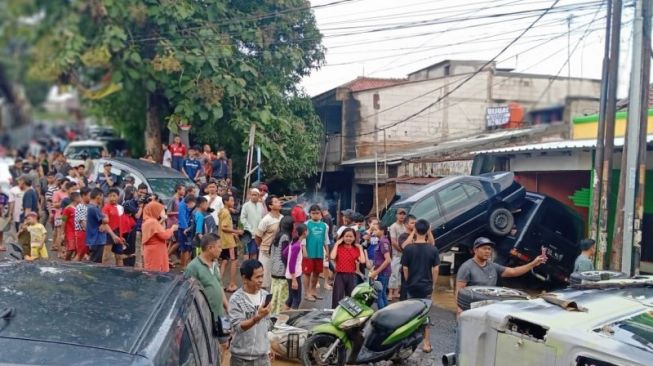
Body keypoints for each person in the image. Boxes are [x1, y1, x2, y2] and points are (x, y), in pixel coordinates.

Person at [456, 237, 547, 313]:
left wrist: (533, 263)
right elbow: (459, 292)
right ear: (475, 250)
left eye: (489, 249)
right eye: (484, 248)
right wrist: (459, 309)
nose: (487, 251)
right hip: (472, 308)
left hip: (489, 308)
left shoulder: (493, 266)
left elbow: (514, 272)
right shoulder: (466, 267)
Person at [184, 233, 229, 353]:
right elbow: (187, 296)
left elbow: (219, 285)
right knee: (207, 349)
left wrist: (227, 306)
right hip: (205, 318)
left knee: (225, 344)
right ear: (210, 248)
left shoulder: (215, 263)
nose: (221, 250)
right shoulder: (193, 267)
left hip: (221, 315)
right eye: (219, 247)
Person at [401, 219, 440, 353]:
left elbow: (405, 268)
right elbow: (435, 270)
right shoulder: (433, 249)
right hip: (426, 286)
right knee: (425, 314)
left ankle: (408, 341)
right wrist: (433, 284)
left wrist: (408, 280)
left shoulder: (408, 249)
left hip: (412, 285)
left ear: (415, 230)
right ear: (428, 230)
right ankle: (426, 343)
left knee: (410, 313)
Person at [228, 259, 272, 366]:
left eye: (262, 276)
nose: (261, 280)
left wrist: (269, 348)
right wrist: (257, 317)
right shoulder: (236, 299)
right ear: (244, 279)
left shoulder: (265, 296)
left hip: (262, 358)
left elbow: (267, 325)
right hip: (241, 359)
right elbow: (238, 326)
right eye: (257, 277)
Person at [330, 227, 366, 308]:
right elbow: (332, 257)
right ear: (342, 237)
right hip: (339, 275)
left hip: (351, 276)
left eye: (351, 236)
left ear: (354, 238)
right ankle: (334, 313)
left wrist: (360, 248)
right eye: (346, 236)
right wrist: (336, 244)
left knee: (351, 297)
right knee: (337, 297)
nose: (348, 238)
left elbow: (363, 261)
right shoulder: (339, 247)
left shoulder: (356, 249)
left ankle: (349, 315)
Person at [255, 195, 283, 289]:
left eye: (278, 201)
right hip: (266, 252)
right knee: (263, 279)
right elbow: (258, 236)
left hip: (278, 252)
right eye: (276, 202)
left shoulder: (282, 218)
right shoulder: (266, 220)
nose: (279, 203)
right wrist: (262, 247)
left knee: (274, 278)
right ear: (270, 206)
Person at [141, 201, 178, 272]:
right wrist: (172, 229)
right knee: (155, 273)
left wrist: (163, 219)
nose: (162, 211)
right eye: (160, 210)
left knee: (151, 270)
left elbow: (159, 231)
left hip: (151, 250)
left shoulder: (147, 221)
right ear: (154, 210)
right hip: (156, 251)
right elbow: (165, 235)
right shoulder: (153, 222)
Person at [303, 204, 330, 301]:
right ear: (309, 214)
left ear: (321, 214)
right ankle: (307, 293)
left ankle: (313, 291)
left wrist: (327, 252)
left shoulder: (325, 226)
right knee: (307, 273)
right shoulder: (306, 225)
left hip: (319, 252)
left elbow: (326, 240)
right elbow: (303, 240)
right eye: (313, 213)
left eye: (317, 213)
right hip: (309, 253)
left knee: (317, 273)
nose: (315, 215)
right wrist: (304, 251)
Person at [269, 216, 293, 314]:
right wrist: (289, 268)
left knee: (274, 293)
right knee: (282, 294)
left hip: (274, 268)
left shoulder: (278, 235)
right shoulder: (285, 237)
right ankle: (279, 314)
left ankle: (272, 312)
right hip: (281, 269)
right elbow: (284, 254)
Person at [219, 194, 242, 292]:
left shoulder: (222, 211)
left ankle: (219, 283)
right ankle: (232, 284)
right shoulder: (226, 213)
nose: (233, 203)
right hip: (229, 242)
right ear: (226, 202)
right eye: (231, 201)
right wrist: (236, 231)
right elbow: (224, 227)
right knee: (234, 261)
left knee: (224, 261)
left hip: (224, 240)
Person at [369, 223, 391, 309]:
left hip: (383, 273)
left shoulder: (383, 242)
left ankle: (383, 314)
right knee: (383, 294)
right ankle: (387, 313)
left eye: (376, 230)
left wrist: (376, 272)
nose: (374, 231)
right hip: (381, 272)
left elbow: (388, 259)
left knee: (379, 295)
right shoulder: (380, 241)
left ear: (382, 231)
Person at [388, 208, 408, 301]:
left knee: (401, 273)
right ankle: (390, 293)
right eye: (400, 214)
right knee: (394, 273)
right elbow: (393, 241)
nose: (402, 216)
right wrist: (401, 249)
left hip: (404, 253)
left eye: (403, 214)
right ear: (396, 215)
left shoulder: (405, 227)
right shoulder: (393, 226)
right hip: (396, 254)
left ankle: (397, 292)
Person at [240, 188, 265, 260]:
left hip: (259, 234)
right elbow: (243, 218)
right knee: (250, 252)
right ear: (250, 196)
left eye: (255, 195)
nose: (253, 196)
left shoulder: (261, 205)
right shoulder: (246, 205)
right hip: (250, 234)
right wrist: (249, 228)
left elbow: (263, 218)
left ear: (258, 196)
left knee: (257, 252)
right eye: (252, 195)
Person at [286, 223, 306, 310]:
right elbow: (291, 263)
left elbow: (284, 253)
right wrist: (294, 279)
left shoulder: (294, 244)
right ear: (305, 232)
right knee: (296, 300)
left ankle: (281, 318)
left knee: (291, 299)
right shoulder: (297, 246)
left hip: (290, 274)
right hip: (294, 275)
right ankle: (291, 320)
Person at [86, 188, 109, 263]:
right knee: (95, 263)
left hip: (94, 239)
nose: (102, 199)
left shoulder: (91, 207)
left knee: (94, 261)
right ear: (98, 196)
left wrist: (103, 223)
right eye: (102, 196)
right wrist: (106, 217)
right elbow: (106, 220)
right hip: (96, 240)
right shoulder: (93, 209)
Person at [103, 188, 124, 266]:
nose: (112, 198)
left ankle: (120, 274)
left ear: (118, 197)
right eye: (110, 196)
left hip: (119, 233)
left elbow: (121, 222)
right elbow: (105, 223)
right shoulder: (106, 207)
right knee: (106, 256)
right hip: (109, 233)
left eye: (114, 196)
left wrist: (121, 236)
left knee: (119, 256)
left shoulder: (121, 208)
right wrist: (113, 235)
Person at [178, 195, 198, 268]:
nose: (187, 206)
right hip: (185, 230)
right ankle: (184, 266)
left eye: (188, 205)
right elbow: (183, 217)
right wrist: (186, 228)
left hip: (188, 231)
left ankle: (185, 266)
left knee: (186, 249)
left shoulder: (195, 211)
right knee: (186, 249)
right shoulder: (193, 210)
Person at [62, 192, 80, 261]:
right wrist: (62, 233)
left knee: (77, 249)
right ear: (76, 198)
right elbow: (63, 220)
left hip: (77, 231)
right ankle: (66, 262)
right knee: (70, 249)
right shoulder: (68, 208)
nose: (81, 198)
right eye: (79, 197)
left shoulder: (79, 207)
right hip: (70, 232)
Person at [74, 187, 91, 261]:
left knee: (83, 254)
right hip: (82, 232)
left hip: (85, 232)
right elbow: (82, 222)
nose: (90, 197)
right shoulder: (80, 207)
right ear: (84, 195)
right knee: (80, 254)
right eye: (89, 195)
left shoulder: (86, 206)